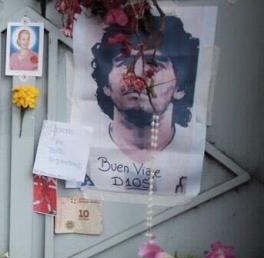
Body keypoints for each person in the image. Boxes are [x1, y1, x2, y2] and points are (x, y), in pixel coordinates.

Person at [85, 16, 202, 200]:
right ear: (105, 83)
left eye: (154, 64)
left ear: (179, 87)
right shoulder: (85, 152)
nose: (138, 76)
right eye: (125, 63)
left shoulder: (190, 154)